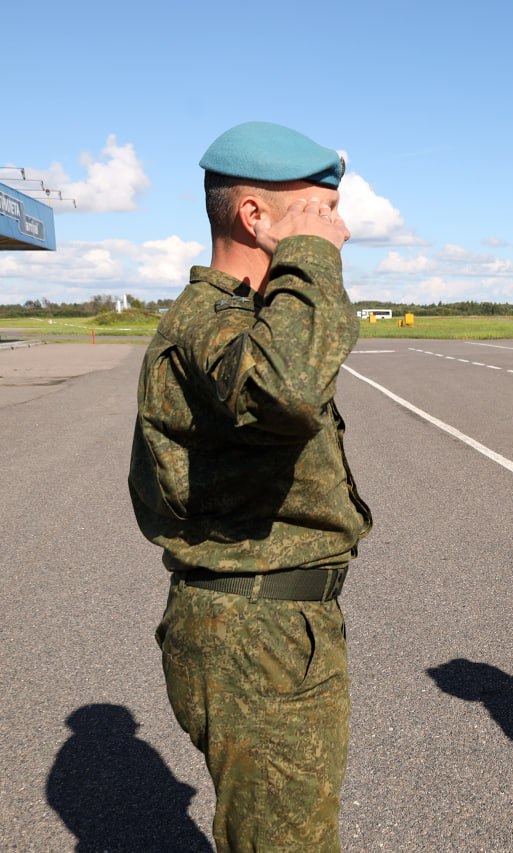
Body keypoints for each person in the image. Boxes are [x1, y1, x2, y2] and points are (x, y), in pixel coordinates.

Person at [129, 121, 373, 852]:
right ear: (254, 217)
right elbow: (290, 388)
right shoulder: (208, 326)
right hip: (254, 633)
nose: (343, 231)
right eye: (321, 211)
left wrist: (301, 250)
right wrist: (308, 256)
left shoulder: (247, 324)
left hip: (273, 627)